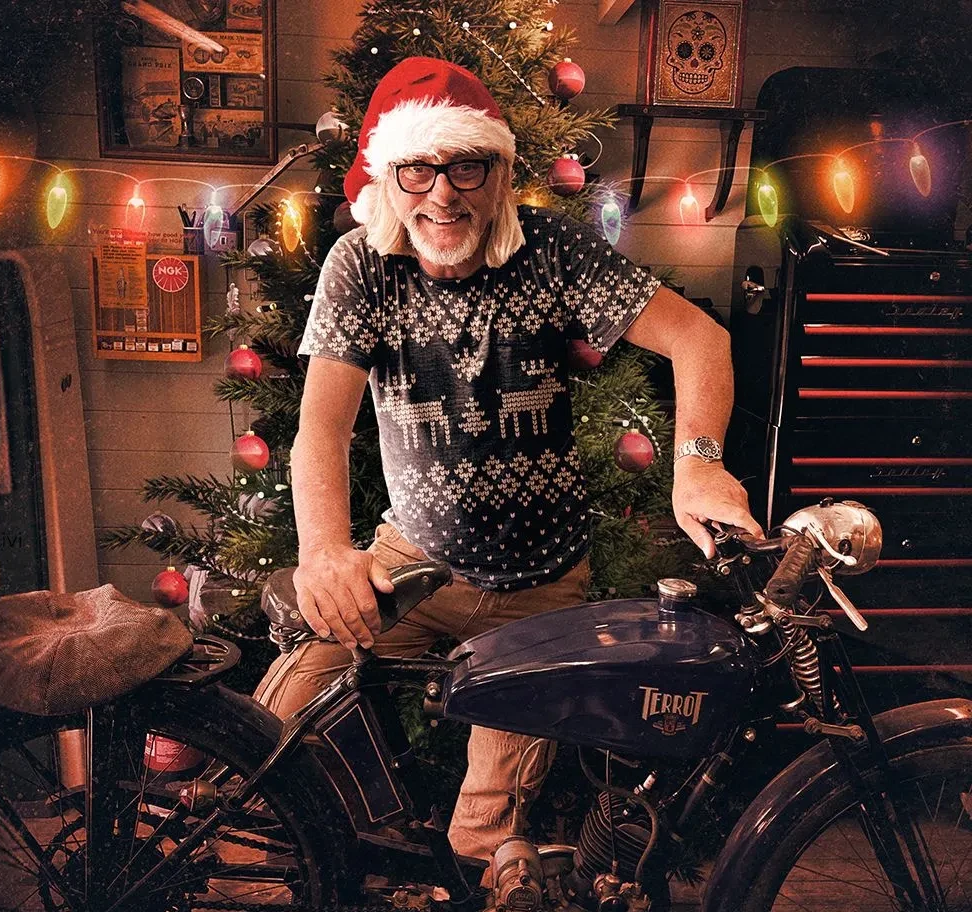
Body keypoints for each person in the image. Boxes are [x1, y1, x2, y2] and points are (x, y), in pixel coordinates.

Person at [257, 57, 762, 864]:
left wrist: (697, 463)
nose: (442, 194)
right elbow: (320, 426)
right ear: (386, 178)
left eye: (466, 165)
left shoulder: (553, 248)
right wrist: (322, 550)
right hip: (408, 566)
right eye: (417, 169)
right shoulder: (359, 263)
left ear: (500, 173)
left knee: (484, 835)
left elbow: (699, 338)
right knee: (273, 735)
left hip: (543, 592)